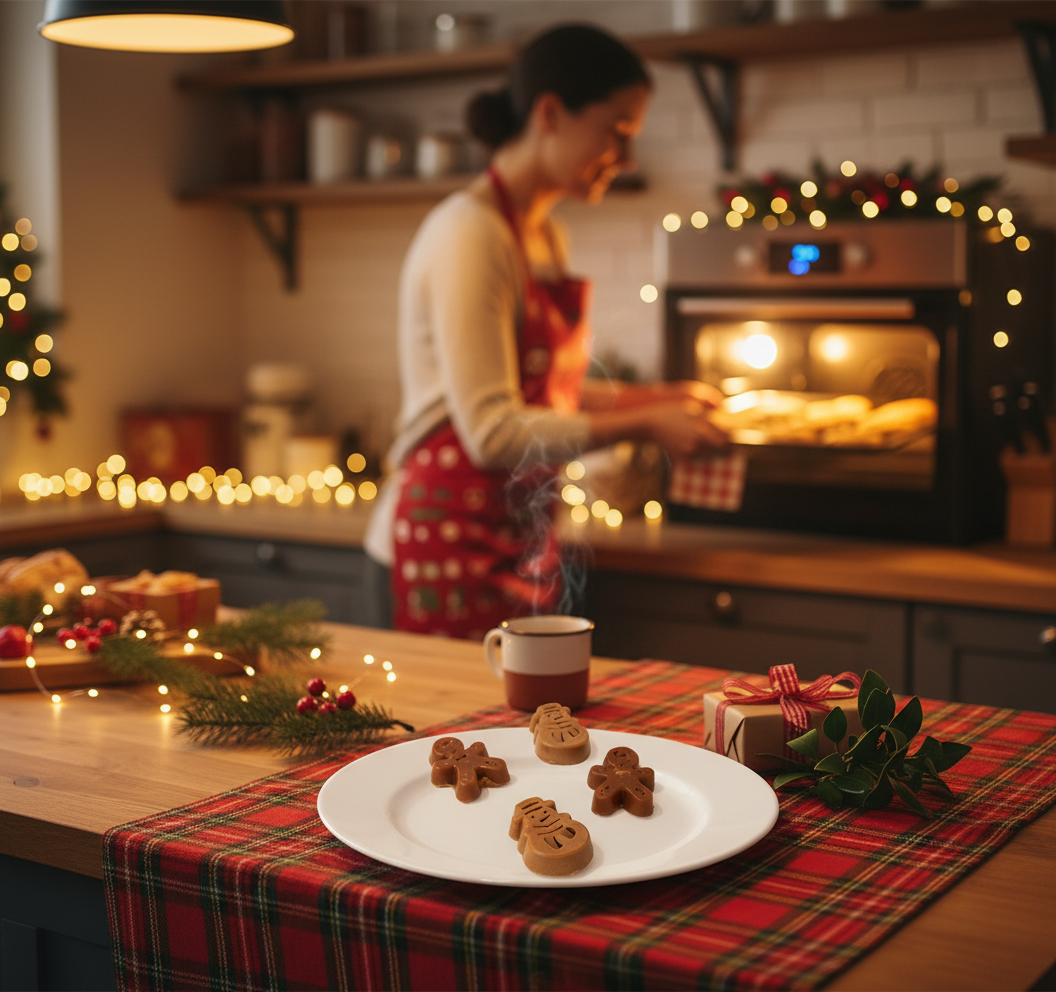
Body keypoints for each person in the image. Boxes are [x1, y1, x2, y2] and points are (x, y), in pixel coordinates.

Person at [364, 23, 727, 638]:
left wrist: (664, 399)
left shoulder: (541, 233)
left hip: (512, 535)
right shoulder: (470, 232)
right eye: (617, 132)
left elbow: (545, 398)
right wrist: (642, 423)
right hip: (440, 542)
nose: (628, 157)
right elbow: (491, 431)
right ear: (551, 113)